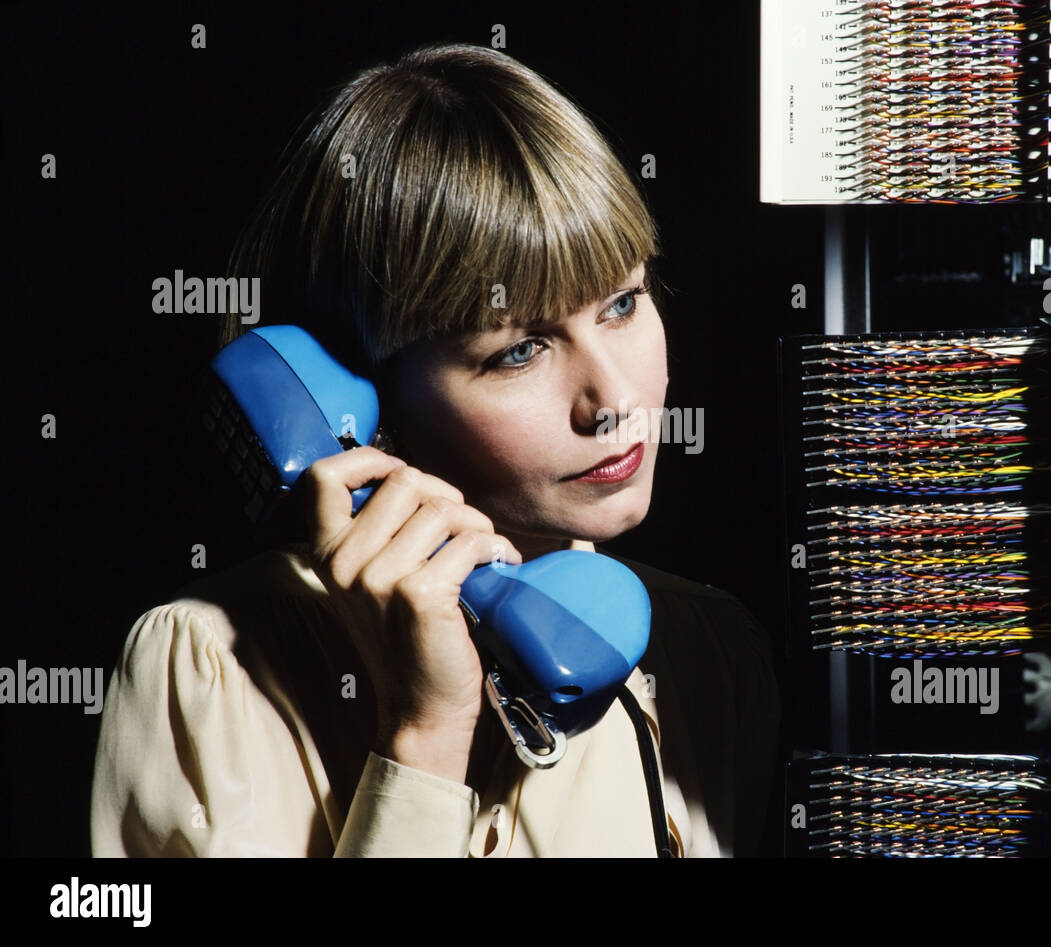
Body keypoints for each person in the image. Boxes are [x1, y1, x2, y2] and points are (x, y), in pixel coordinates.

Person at [90, 42, 781, 857]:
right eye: (519, 350)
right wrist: (423, 735)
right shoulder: (206, 670)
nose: (614, 403)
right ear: (360, 394)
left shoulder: (707, 653)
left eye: (623, 304)